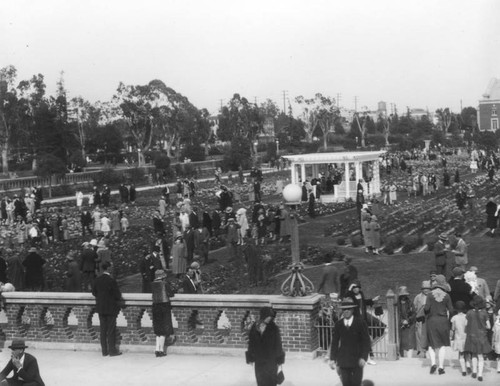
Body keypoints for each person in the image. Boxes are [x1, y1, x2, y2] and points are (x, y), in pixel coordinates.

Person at [329, 298, 371, 386]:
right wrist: (332, 359)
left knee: (356, 383)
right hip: (343, 360)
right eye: (344, 309)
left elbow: (366, 341)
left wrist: (364, 357)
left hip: (357, 360)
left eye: (348, 309)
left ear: (352, 310)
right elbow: (335, 342)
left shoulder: (360, 323)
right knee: (346, 383)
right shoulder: (338, 324)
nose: (346, 311)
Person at [246, 306, 285, 386]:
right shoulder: (255, 327)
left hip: (271, 360)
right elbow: (251, 343)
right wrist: (250, 357)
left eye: (271, 317)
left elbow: (278, 344)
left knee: (271, 381)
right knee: (260, 380)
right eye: (268, 316)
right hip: (259, 360)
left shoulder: (273, 328)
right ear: (263, 316)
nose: (269, 318)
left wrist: (279, 360)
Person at [92, 261, 123, 357]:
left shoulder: (97, 280)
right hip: (111, 308)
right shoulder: (111, 280)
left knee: (102, 329)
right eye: (111, 267)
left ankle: (104, 351)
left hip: (101, 307)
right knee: (111, 330)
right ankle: (112, 351)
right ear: (108, 268)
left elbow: (94, 292)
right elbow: (117, 295)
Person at [424, 274, 453, 375]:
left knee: (431, 344)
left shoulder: (430, 295)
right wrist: (449, 321)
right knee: (442, 345)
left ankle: (433, 364)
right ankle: (441, 367)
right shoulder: (447, 296)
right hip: (443, 321)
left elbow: (426, 309)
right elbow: (451, 310)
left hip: (432, 321)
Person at [464, 295, 492, 381]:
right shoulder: (484, 313)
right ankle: (480, 374)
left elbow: (465, 324)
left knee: (474, 355)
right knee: (480, 356)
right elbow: (489, 326)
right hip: (481, 337)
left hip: (472, 336)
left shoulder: (469, 312)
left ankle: (474, 372)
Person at [151, 270, 175, 357]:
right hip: (164, 306)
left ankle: (157, 349)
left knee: (158, 329)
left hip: (155, 306)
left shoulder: (153, 283)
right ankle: (161, 350)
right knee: (164, 328)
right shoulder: (165, 283)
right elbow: (170, 293)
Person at [450, 301, 470, 377]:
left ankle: (464, 370)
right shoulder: (467, 317)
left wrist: (451, 337)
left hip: (458, 338)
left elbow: (453, 328)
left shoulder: (454, 318)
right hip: (466, 337)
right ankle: (468, 365)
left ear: (456, 309)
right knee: (467, 353)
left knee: (461, 354)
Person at [413, 280, 431, 358]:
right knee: (420, 334)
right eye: (424, 288)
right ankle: (422, 351)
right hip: (420, 319)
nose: (426, 290)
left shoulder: (432, 296)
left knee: (429, 334)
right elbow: (414, 307)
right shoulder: (418, 297)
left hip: (429, 318)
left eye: (427, 288)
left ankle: (428, 351)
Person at [397, 286, 415, 357]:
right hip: (400, 325)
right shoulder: (397, 304)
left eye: (405, 295)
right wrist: (401, 321)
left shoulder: (410, 303)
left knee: (410, 342)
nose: (403, 297)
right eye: (402, 295)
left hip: (409, 325)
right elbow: (396, 314)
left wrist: (408, 320)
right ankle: (401, 357)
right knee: (401, 342)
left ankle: (409, 359)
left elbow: (414, 313)